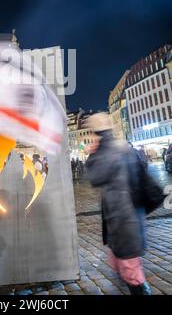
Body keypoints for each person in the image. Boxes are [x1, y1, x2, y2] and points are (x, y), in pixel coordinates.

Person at [85, 112, 155, 295]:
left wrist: (92, 154)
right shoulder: (123, 147)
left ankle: (140, 289)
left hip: (122, 216)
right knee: (121, 261)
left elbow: (95, 178)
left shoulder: (105, 151)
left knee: (130, 268)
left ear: (96, 131)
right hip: (130, 213)